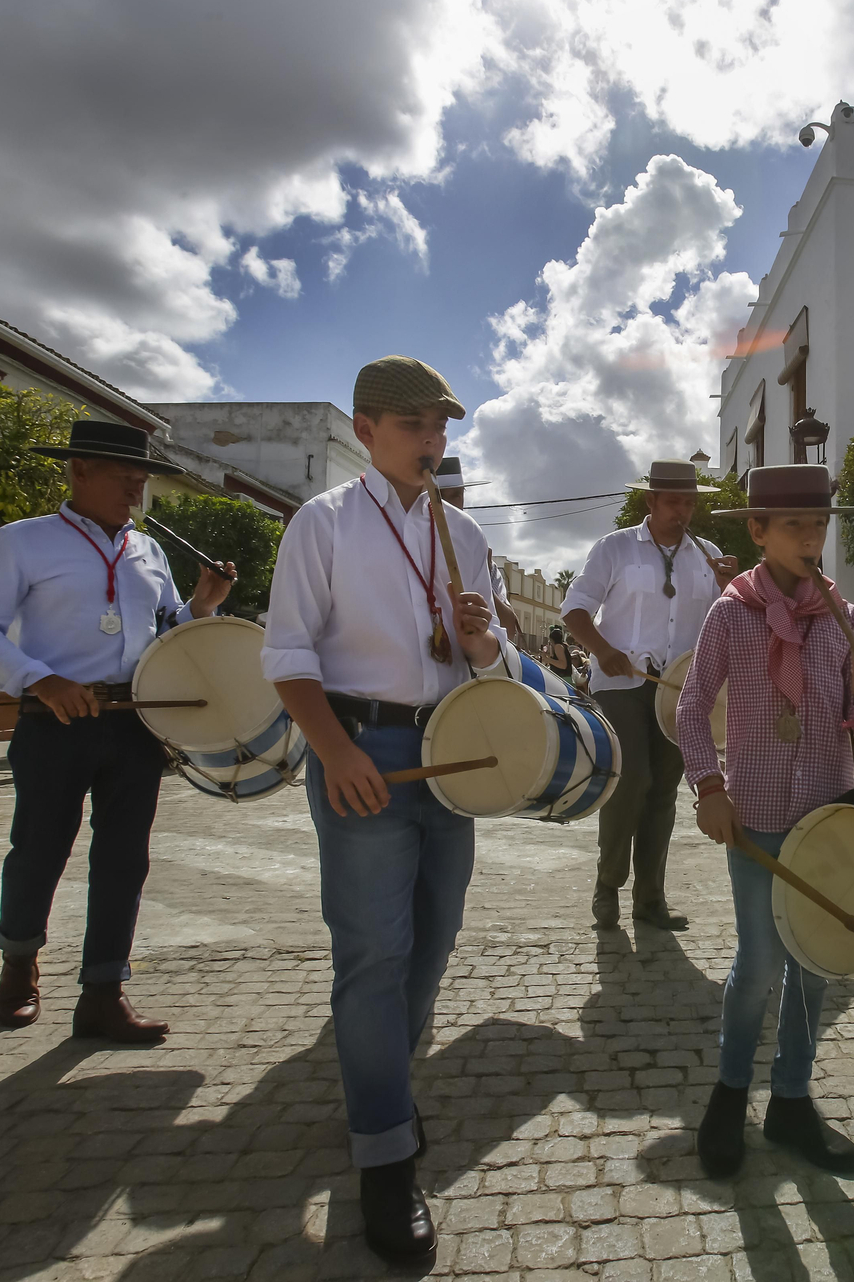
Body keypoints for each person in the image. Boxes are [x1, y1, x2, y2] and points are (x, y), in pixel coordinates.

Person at [262, 355, 508, 1265]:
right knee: (374, 954)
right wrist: (335, 751)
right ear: (365, 431)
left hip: (453, 749)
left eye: (440, 426)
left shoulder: (465, 533)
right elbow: (287, 655)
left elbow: (492, 664)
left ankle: (388, 1099)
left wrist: (484, 641)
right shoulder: (321, 525)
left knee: (434, 942)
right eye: (412, 424)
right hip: (363, 748)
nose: (431, 441)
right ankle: (383, 1155)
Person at [0, 419, 234, 1043]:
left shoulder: (148, 551)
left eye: (142, 482)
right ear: (80, 471)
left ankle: (103, 992)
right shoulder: (23, 542)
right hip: (54, 722)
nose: (137, 494)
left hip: (134, 724)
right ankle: (19, 960)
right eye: (126, 479)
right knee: (39, 850)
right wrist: (39, 679)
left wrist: (202, 607)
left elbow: (165, 635)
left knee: (124, 861)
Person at [678, 464, 854, 1180]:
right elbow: (689, 707)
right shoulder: (730, 614)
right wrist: (709, 786)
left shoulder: (846, 616)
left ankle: (792, 1101)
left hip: (827, 818)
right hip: (758, 820)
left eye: (821, 523)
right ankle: (729, 1094)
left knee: (815, 963)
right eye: (795, 525)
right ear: (759, 532)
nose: (811, 537)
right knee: (762, 962)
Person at [562, 458, 739, 930]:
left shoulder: (708, 554)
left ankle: (650, 900)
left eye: (689, 502)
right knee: (631, 780)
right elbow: (575, 610)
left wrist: (731, 589)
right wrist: (601, 650)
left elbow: (728, 623)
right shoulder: (614, 548)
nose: (682, 510)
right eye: (673, 501)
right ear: (651, 501)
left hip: (679, 690)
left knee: (663, 791)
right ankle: (608, 883)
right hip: (620, 684)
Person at [432, 456, 522, 642]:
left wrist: (485, 572)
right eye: (442, 496)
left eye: (457, 495)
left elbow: (508, 629)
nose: (451, 505)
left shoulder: (477, 549)